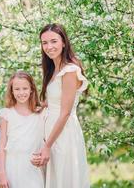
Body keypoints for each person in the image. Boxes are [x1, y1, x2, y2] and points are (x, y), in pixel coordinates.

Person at [31, 23, 90, 188]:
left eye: (53, 41)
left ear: (64, 42)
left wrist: (47, 146)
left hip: (64, 133)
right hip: (52, 130)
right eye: (44, 43)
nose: (49, 47)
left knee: (64, 178)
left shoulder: (70, 71)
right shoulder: (54, 70)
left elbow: (65, 112)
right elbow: (54, 101)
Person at [0, 71, 45, 188]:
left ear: (31, 90)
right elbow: (2, 147)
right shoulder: (7, 115)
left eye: (25, 88)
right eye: (17, 89)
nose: (21, 92)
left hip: (33, 166)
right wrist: (2, 173)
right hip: (12, 167)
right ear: (12, 91)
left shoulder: (41, 114)